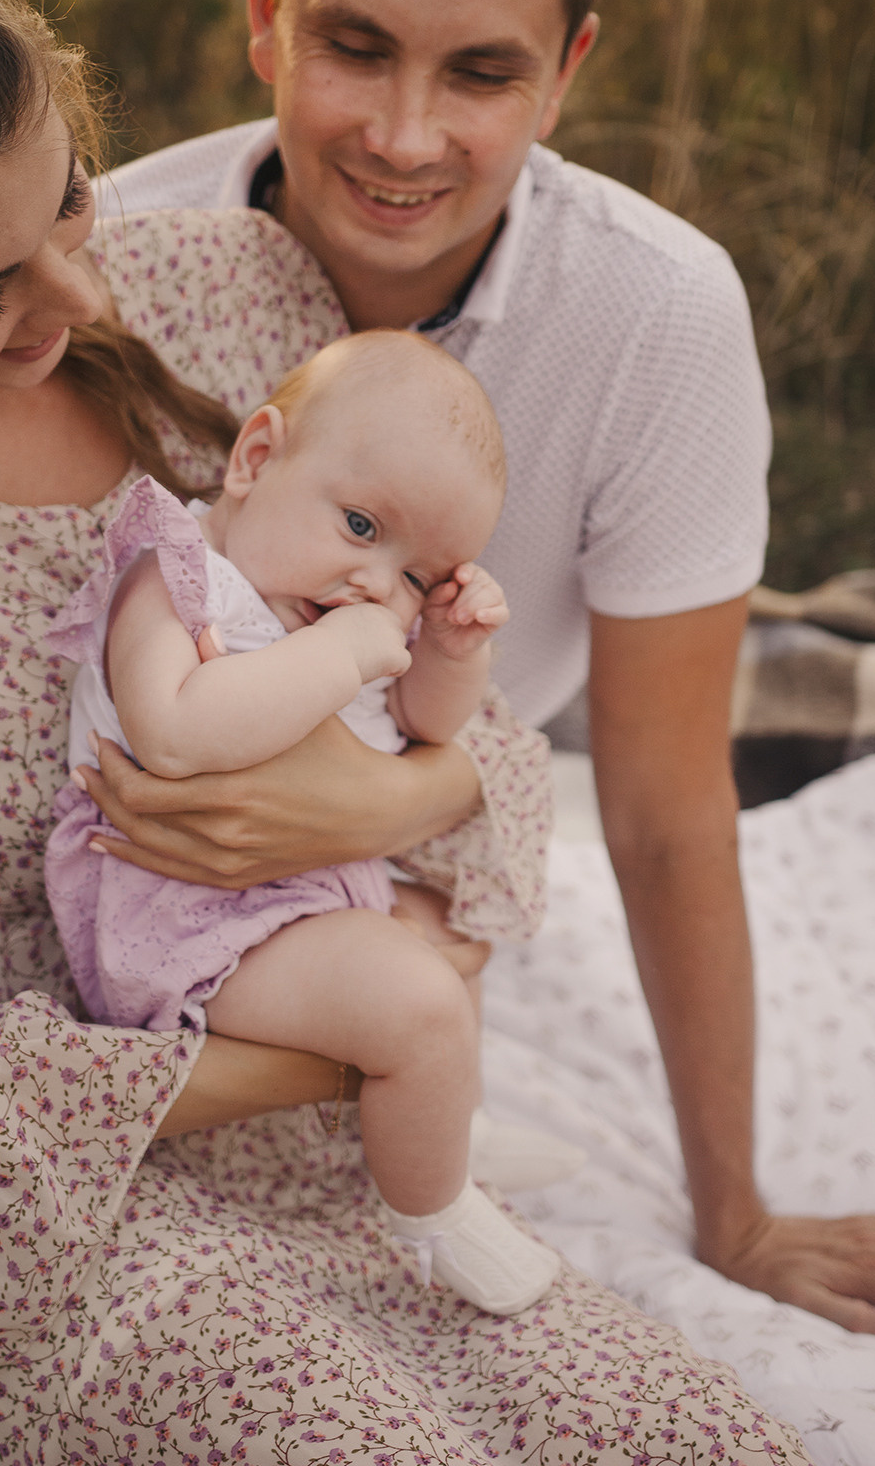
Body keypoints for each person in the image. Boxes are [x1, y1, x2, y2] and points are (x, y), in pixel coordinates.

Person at [0, 0, 815, 1462]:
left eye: (69, 200)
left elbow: (502, 765)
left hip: (347, 1160)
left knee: (682, 1435)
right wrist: (327, 1055)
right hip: (27, 1215)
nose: (81, 294)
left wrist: (381, 801)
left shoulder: (242, 292)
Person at [99, 0, 875, 1336]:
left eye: (479, 73)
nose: (405, 138)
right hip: (144, 892)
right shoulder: (107, 270)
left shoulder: (656, 316)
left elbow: (662, 803)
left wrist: (735, 1215)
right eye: (353, 46)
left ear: (567, 67)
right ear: (265, 7)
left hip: (420, 883)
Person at [45, 329, 560, 1316]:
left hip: (298, 891)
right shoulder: (179, 571)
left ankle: (448, 1126)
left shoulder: (334, 611)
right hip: (186, 912)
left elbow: (423, 729)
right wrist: (349, 651)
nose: (377, 585)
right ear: (253, 459)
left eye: (418, 578)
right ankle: (435, 1215)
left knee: (448, 932)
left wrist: (450, 655)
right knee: (416, 1003)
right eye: (361, 525)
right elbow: (174, 731)